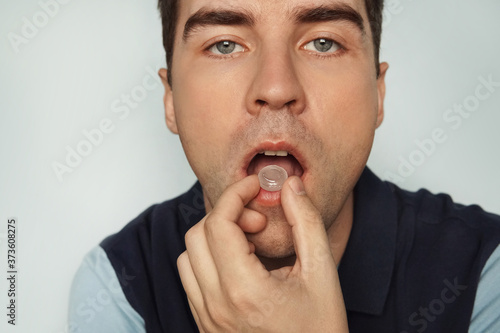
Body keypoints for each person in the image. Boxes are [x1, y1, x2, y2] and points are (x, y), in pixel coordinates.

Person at [69, 0, 500, 332]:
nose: (276, 88)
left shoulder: (485, 274)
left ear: (378, 94)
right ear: (171, 101)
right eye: (225, 45)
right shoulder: (118, 285)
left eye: (323, 43)